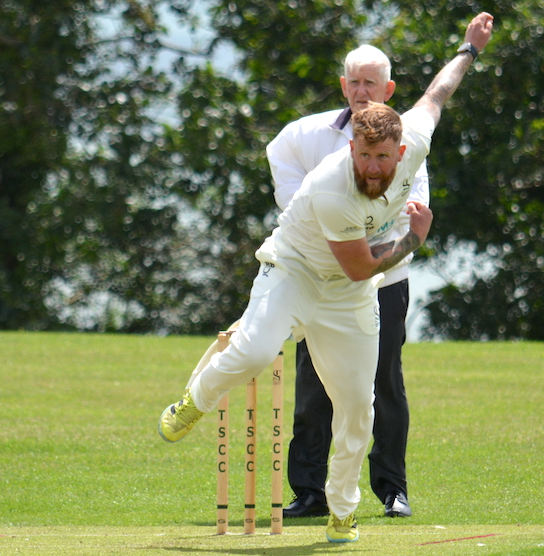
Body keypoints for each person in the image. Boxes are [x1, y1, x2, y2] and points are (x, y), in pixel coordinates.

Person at [159, 12, 494, 544]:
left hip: (348, 296)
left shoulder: (416, 138)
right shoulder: (333, 187)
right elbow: (361, 262)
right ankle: (191, 404)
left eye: (382, 158)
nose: (373, 169)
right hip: (294, 272)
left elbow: (438, 91)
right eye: (363, 156)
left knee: (358, 406)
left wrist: (469, 48)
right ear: (351, 148)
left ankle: (342, 510)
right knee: (250, 353)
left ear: (401, 150)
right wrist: (412, 241)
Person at [265, 44, 428, 520]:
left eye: (370, 83)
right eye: (354, 82)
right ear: (343, 86)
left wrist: (371, 246)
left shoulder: (405, 141)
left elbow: (410, 211)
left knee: (384, 382)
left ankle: (392, 490)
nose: (361, 91)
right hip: (319, 280)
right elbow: (289, 182)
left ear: (388, 89)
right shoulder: (306, 135)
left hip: (385, 277)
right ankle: (310, 491)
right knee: (313, 383)